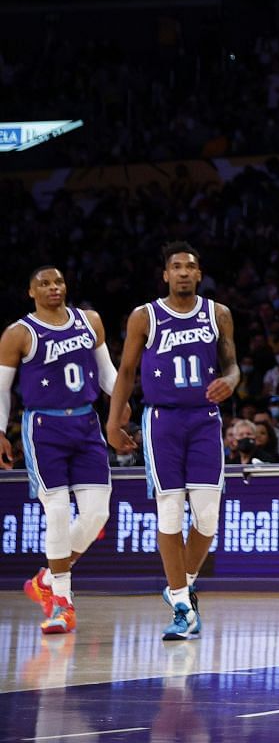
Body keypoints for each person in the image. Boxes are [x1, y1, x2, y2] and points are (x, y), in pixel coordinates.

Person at [105, 242, 239, 642]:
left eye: (190, 267)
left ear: (199, 274)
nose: (183, 272)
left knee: (207, 516)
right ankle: (182, 605)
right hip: (161, 419)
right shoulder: (144, 316)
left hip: (204, 419)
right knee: (169, 510)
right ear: (165, 275)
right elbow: (126, 371)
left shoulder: (219, 313)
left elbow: (231, 363)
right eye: (176, 267)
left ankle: (182, 582)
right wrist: (113, 421)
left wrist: (231, 381)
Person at [1, 266, 116, 635]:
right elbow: (1, 390)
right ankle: (62, 605)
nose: (53, 288)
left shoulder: (90, 320)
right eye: (44, 284)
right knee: (57, 513)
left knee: (97, 514)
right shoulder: (18, 333)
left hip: (86, 423)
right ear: (30, 292)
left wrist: (123, 403)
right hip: (43, 428)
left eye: (58, 282)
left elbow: (107, 374)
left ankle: (48, 578)